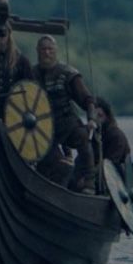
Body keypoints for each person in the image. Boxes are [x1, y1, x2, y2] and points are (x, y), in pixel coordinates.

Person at [32, 35, 98, 192]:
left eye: (50, 49)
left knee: (83, 138)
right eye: (43, 49)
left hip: (68, 123)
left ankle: (88, 182)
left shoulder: (68, 74)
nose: (47, 53)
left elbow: (87, 100)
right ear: (38, 51)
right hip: (44, 130)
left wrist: (91, 119)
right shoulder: (31, 74)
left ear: (55, 52)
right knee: (53, 164)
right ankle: (51, 189)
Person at [93, 96, 130, 168]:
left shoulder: (116, 136)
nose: (96, 119)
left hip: (113, 176)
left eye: (100, 116)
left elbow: (110, 165)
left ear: (107, 116)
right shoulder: (94, 134)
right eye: (94, 116)